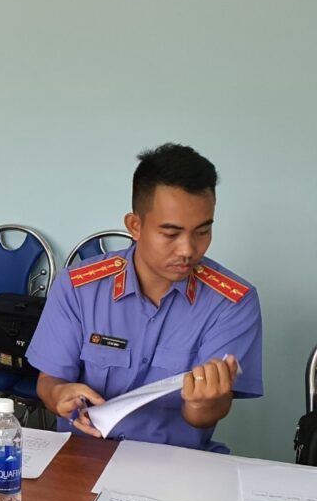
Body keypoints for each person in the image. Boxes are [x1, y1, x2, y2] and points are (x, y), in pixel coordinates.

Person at [26, 143, 263, 453]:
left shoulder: (231, 301)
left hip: (177, 462)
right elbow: (49, 381)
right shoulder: (78, 287)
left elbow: (203, 417)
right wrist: (58, 394)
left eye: (202, 231)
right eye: (171, 233)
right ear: (135, 226)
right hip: (86, 457)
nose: (188, 250)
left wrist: (204, 402)